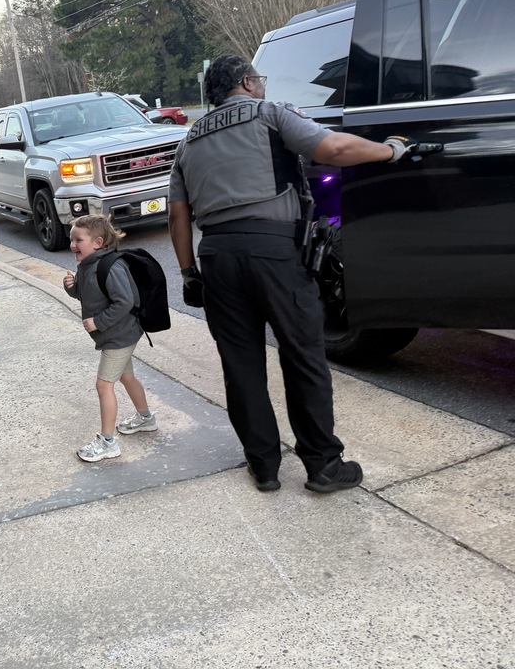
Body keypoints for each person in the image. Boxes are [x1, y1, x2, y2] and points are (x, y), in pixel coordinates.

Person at [168, 54, 427, 493]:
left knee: (241, 365)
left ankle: (264, 467)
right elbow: (334, 150)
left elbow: (177, 214)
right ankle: (323, 465)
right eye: (259, 78)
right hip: (274, 253)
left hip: (216, 258)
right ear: (247, 82)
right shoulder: (269, 114)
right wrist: (391, 150)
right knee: (303, 356)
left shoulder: (189, 140)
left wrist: (190, 272)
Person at [63, 214, 154, 463]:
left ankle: (108, 442)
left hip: (120, 335)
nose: (72, 245)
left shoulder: (111, 266)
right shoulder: (88, 265)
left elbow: (124, 301)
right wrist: (71, 287)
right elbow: (89, 295)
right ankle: (146, 419)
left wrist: (98, 322)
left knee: (104, 385)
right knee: (126, 376)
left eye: (78, 240)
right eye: (71, 239)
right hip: (115, 335)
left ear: (98, 242)